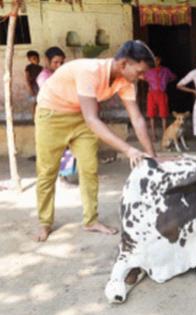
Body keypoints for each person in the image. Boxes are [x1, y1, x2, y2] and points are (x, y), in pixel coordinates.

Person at [34, 40, 156, 242]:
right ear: (124, 63)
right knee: (47, 171)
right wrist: (129, 150)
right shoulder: (89, 70)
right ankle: (44, 222)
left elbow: (137, 118)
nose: (142, 77)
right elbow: (92, 119)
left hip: (80, 117)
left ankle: (91, 220)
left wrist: (152, 156)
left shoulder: (125, 81)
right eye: (140, 72)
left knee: (89, 169)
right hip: (51, 115)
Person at [36, 46, 77, 185]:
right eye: (56, 62)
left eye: (61, 62)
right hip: (51, 116)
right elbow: (52, 96)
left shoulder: (61, 74)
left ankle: (65, 175)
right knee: (56, 149)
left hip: (64, 114)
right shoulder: (44, 77)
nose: (59, 65)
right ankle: (59, 177)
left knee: (67, 147)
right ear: (47, 61)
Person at [144, 55, 176, 141]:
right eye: (154, 60)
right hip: (151, 94)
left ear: (160, 60)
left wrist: (165, 82)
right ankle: (153, 135)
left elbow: (173, 77)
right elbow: (144, 78)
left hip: (162, 93)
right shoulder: (149, 71)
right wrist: (150, 82)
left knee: (163, 114)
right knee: (151, 115)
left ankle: (165, 135)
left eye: (157, 60)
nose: (156, 61)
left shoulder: (165, 70)